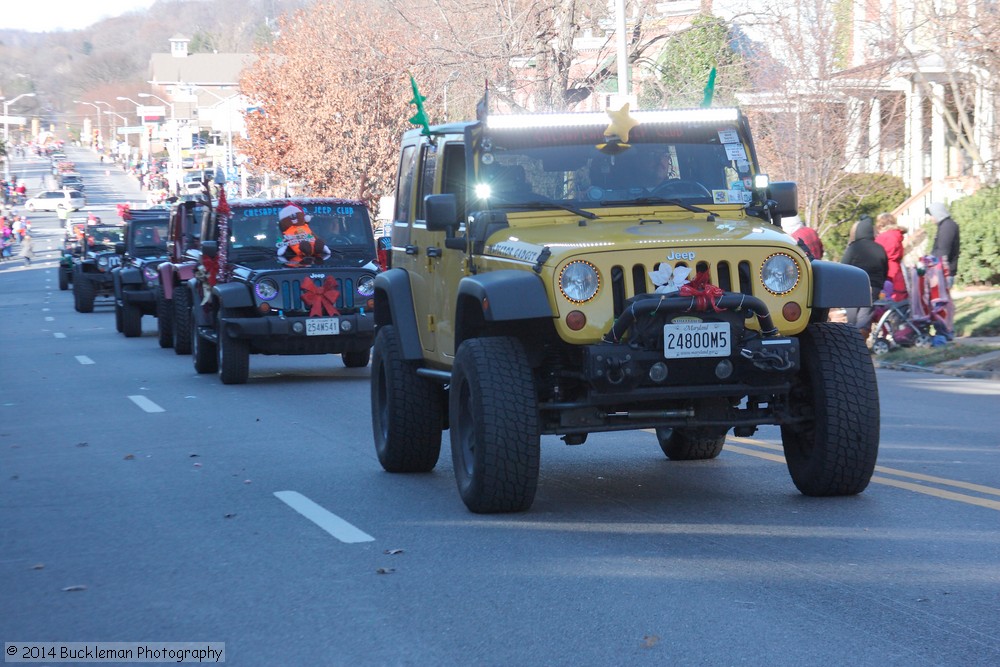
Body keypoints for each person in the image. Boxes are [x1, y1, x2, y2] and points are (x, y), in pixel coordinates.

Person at [840, 214, 888, 339]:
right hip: (873, 287)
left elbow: (843, 267)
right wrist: (879, 285)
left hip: (853, 286)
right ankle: (861, 342)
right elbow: (885, 270)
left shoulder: (853, 248)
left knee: (851, 317)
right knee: (864, 317)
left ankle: (851, 342)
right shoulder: (880, 249)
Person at [874, 212, 907, 301]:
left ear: (881, 225)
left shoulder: (883, 237)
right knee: (900, 298)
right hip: (897, 270)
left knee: (886, 300)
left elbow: (876, 254)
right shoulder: (896, 235)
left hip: (887, 272)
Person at [928, 202, 960, 288]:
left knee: (941, 300)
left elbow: (943, 251)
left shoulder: (947, 227)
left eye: (931, 215)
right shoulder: (944, 226)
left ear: (937, 213)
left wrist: (930, 261)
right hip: (943, 271)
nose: (930, 219)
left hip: (944, 272)